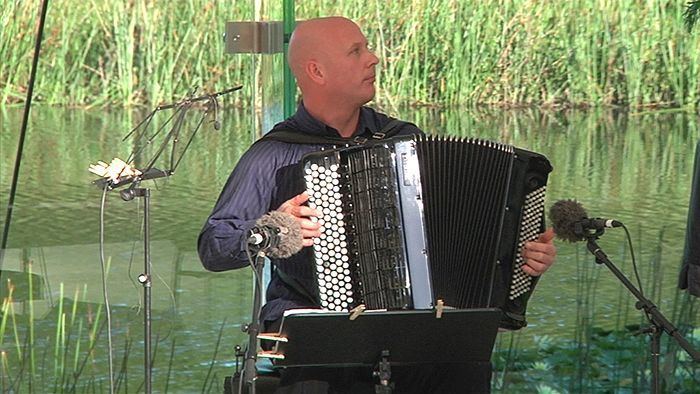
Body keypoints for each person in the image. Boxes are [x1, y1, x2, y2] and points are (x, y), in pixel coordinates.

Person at [198, 16, 557, 393]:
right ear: (317, 71)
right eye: (357, 52)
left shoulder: (405, 141)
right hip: (318, 330)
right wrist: (271, 231)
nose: (374, 59)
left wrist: (520, 258)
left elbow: (456, 236)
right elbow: (213, 247)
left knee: (465, 368)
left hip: (413, 328)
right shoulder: (274, 155)